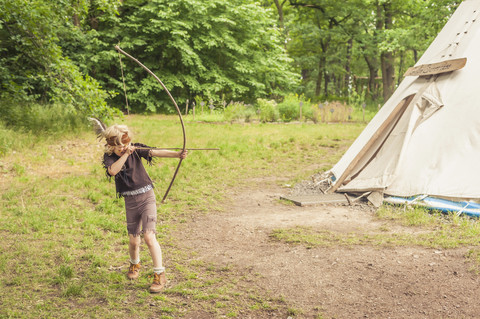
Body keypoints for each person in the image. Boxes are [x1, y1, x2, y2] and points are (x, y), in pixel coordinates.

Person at [101, 124, 187, 293]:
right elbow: (112, 171)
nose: (124, 148)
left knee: (149, 237)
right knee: (134, 240)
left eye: (126, 144)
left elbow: (155, 152)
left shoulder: (135, 149)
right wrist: (125, 154)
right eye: (120, 146)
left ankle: (159, 274)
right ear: (111, 145)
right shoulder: (110, 157)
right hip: (130, 202)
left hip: (147, 198)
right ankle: (135, 264)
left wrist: (177, 154)